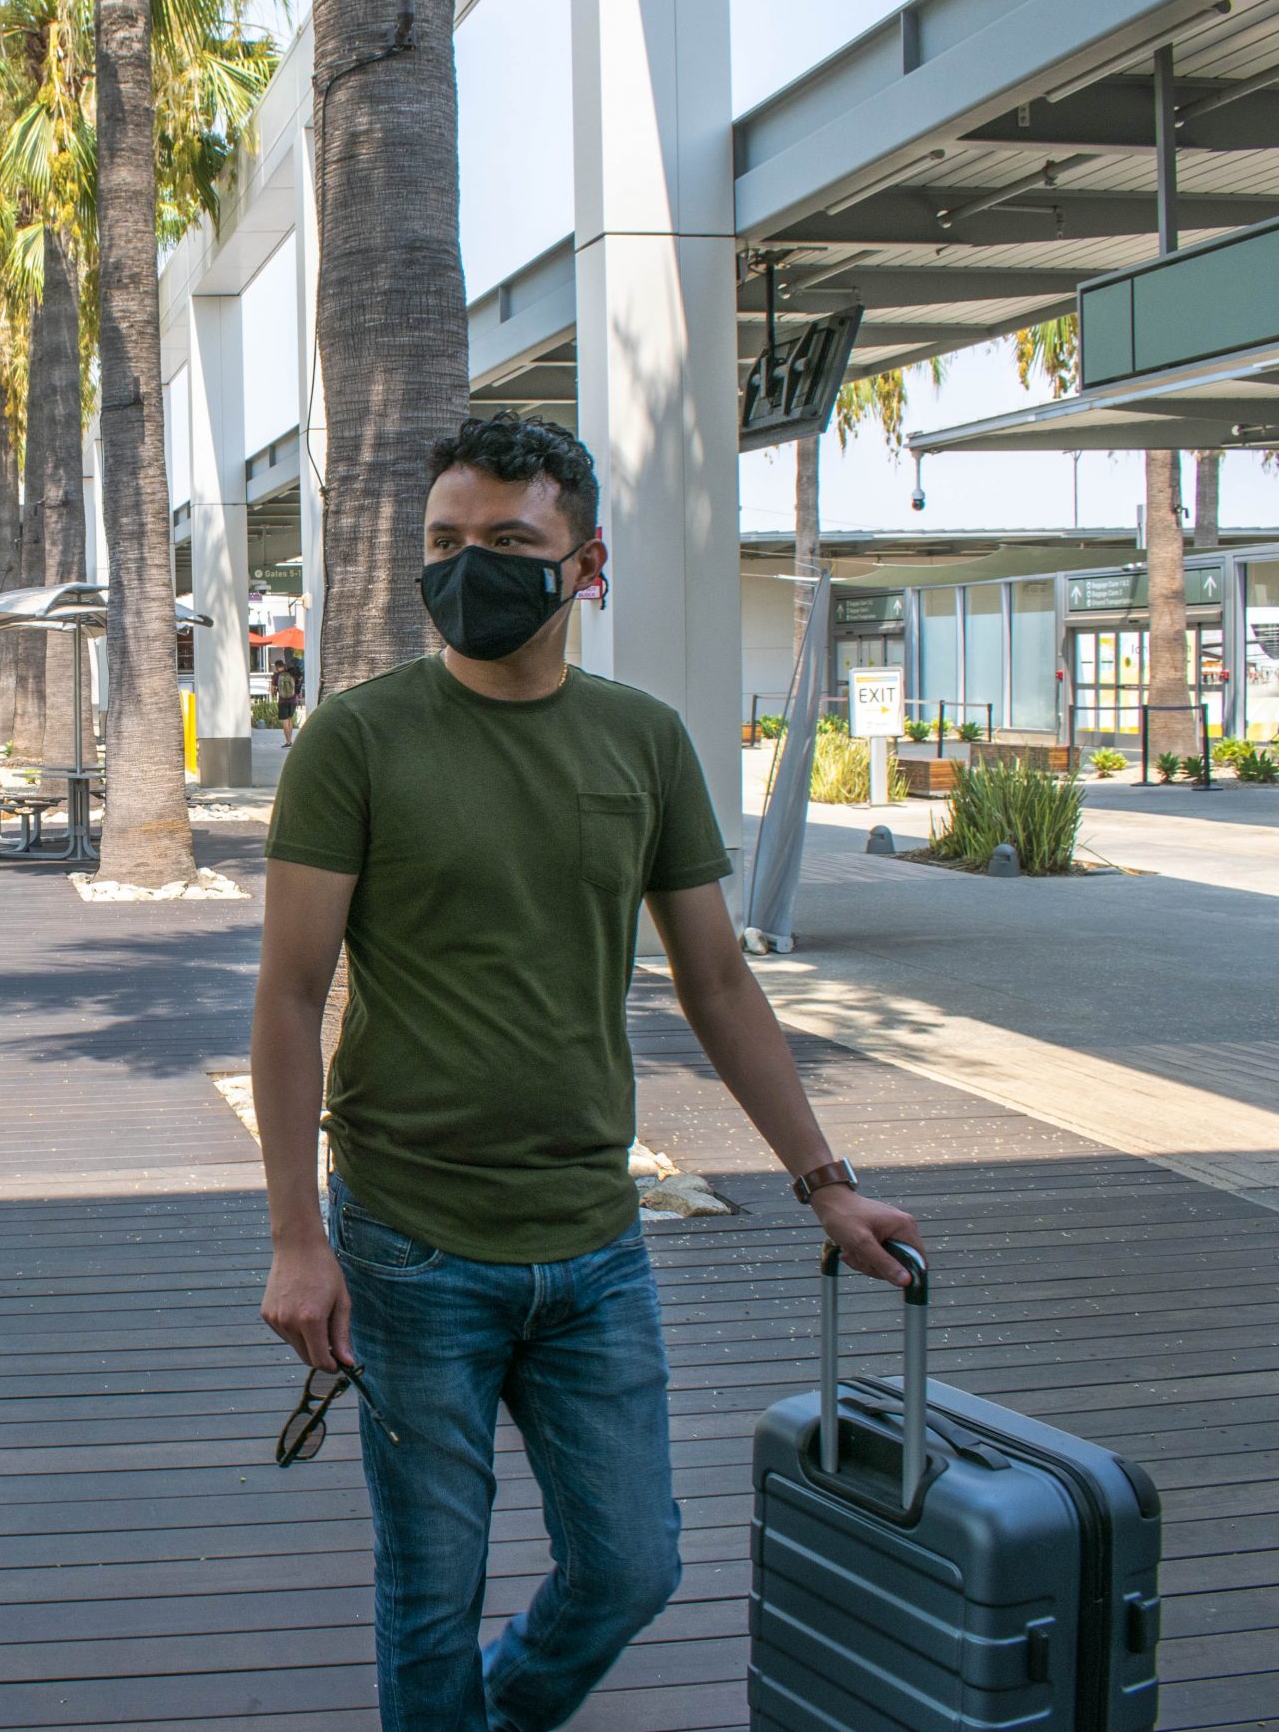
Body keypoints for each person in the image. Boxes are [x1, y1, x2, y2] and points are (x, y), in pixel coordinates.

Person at [252, 411, 924, 1732]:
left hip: (591, 1238)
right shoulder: (358, 739)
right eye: (445, 539)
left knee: (631, 1563)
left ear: (587, 563)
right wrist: (294, 1236)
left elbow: (719, 981)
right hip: (408, 1241)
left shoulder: (643, 740)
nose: (468, 566)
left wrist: (824, 1182)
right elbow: (287, 992)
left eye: (510, 542)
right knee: (429, 1591)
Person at [271, 654, 303, 747]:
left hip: (283, 701)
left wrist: (273, 695)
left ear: (277, 667)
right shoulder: (291, 673)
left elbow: (272, 689)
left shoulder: (276, 676)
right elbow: (299, 681)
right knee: (290, 719)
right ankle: (290, 740)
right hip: (293, 700)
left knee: (285, 721)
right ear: (284, 665)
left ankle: (288, 742)